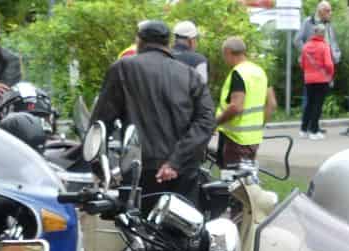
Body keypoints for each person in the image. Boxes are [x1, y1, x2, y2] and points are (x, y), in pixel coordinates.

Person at [92, 19, 215, 207]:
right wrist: (175, 162)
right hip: (182, 171)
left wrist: (98, 164)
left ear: (139, 41)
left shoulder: (123, 68)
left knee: (136, 222)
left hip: (140, 170)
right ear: (168, 43)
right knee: (182, 222)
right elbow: (206, 121)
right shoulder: (191, 75)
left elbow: (102, 120)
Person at [214, 36, 275, 167]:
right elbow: (271, 104)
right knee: (247, 175)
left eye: (224, 55)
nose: (224, 59)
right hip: (254, 138)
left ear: (228, 52)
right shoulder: (260, 71)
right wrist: (259, 125)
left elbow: (236, 107)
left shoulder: (238, 73)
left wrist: (215, 122)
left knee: (232, 177)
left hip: (235, 139)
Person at [300, 24, 336, 140]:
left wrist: (308, 72)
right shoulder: (324, 46)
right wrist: (330, 75)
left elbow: (302, 63)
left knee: (309, 104)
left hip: (308, 79)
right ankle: (314, 131)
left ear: (314, 33)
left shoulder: (306, 46)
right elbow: (329, 64)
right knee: (317, 105)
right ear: (323, 34)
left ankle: (303, 129)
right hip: (321, 79)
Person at [172, 20, 209, 85]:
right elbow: (202, 86)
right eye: (196, 39)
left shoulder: (162, 55)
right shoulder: (199, 60)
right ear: (191, 40)